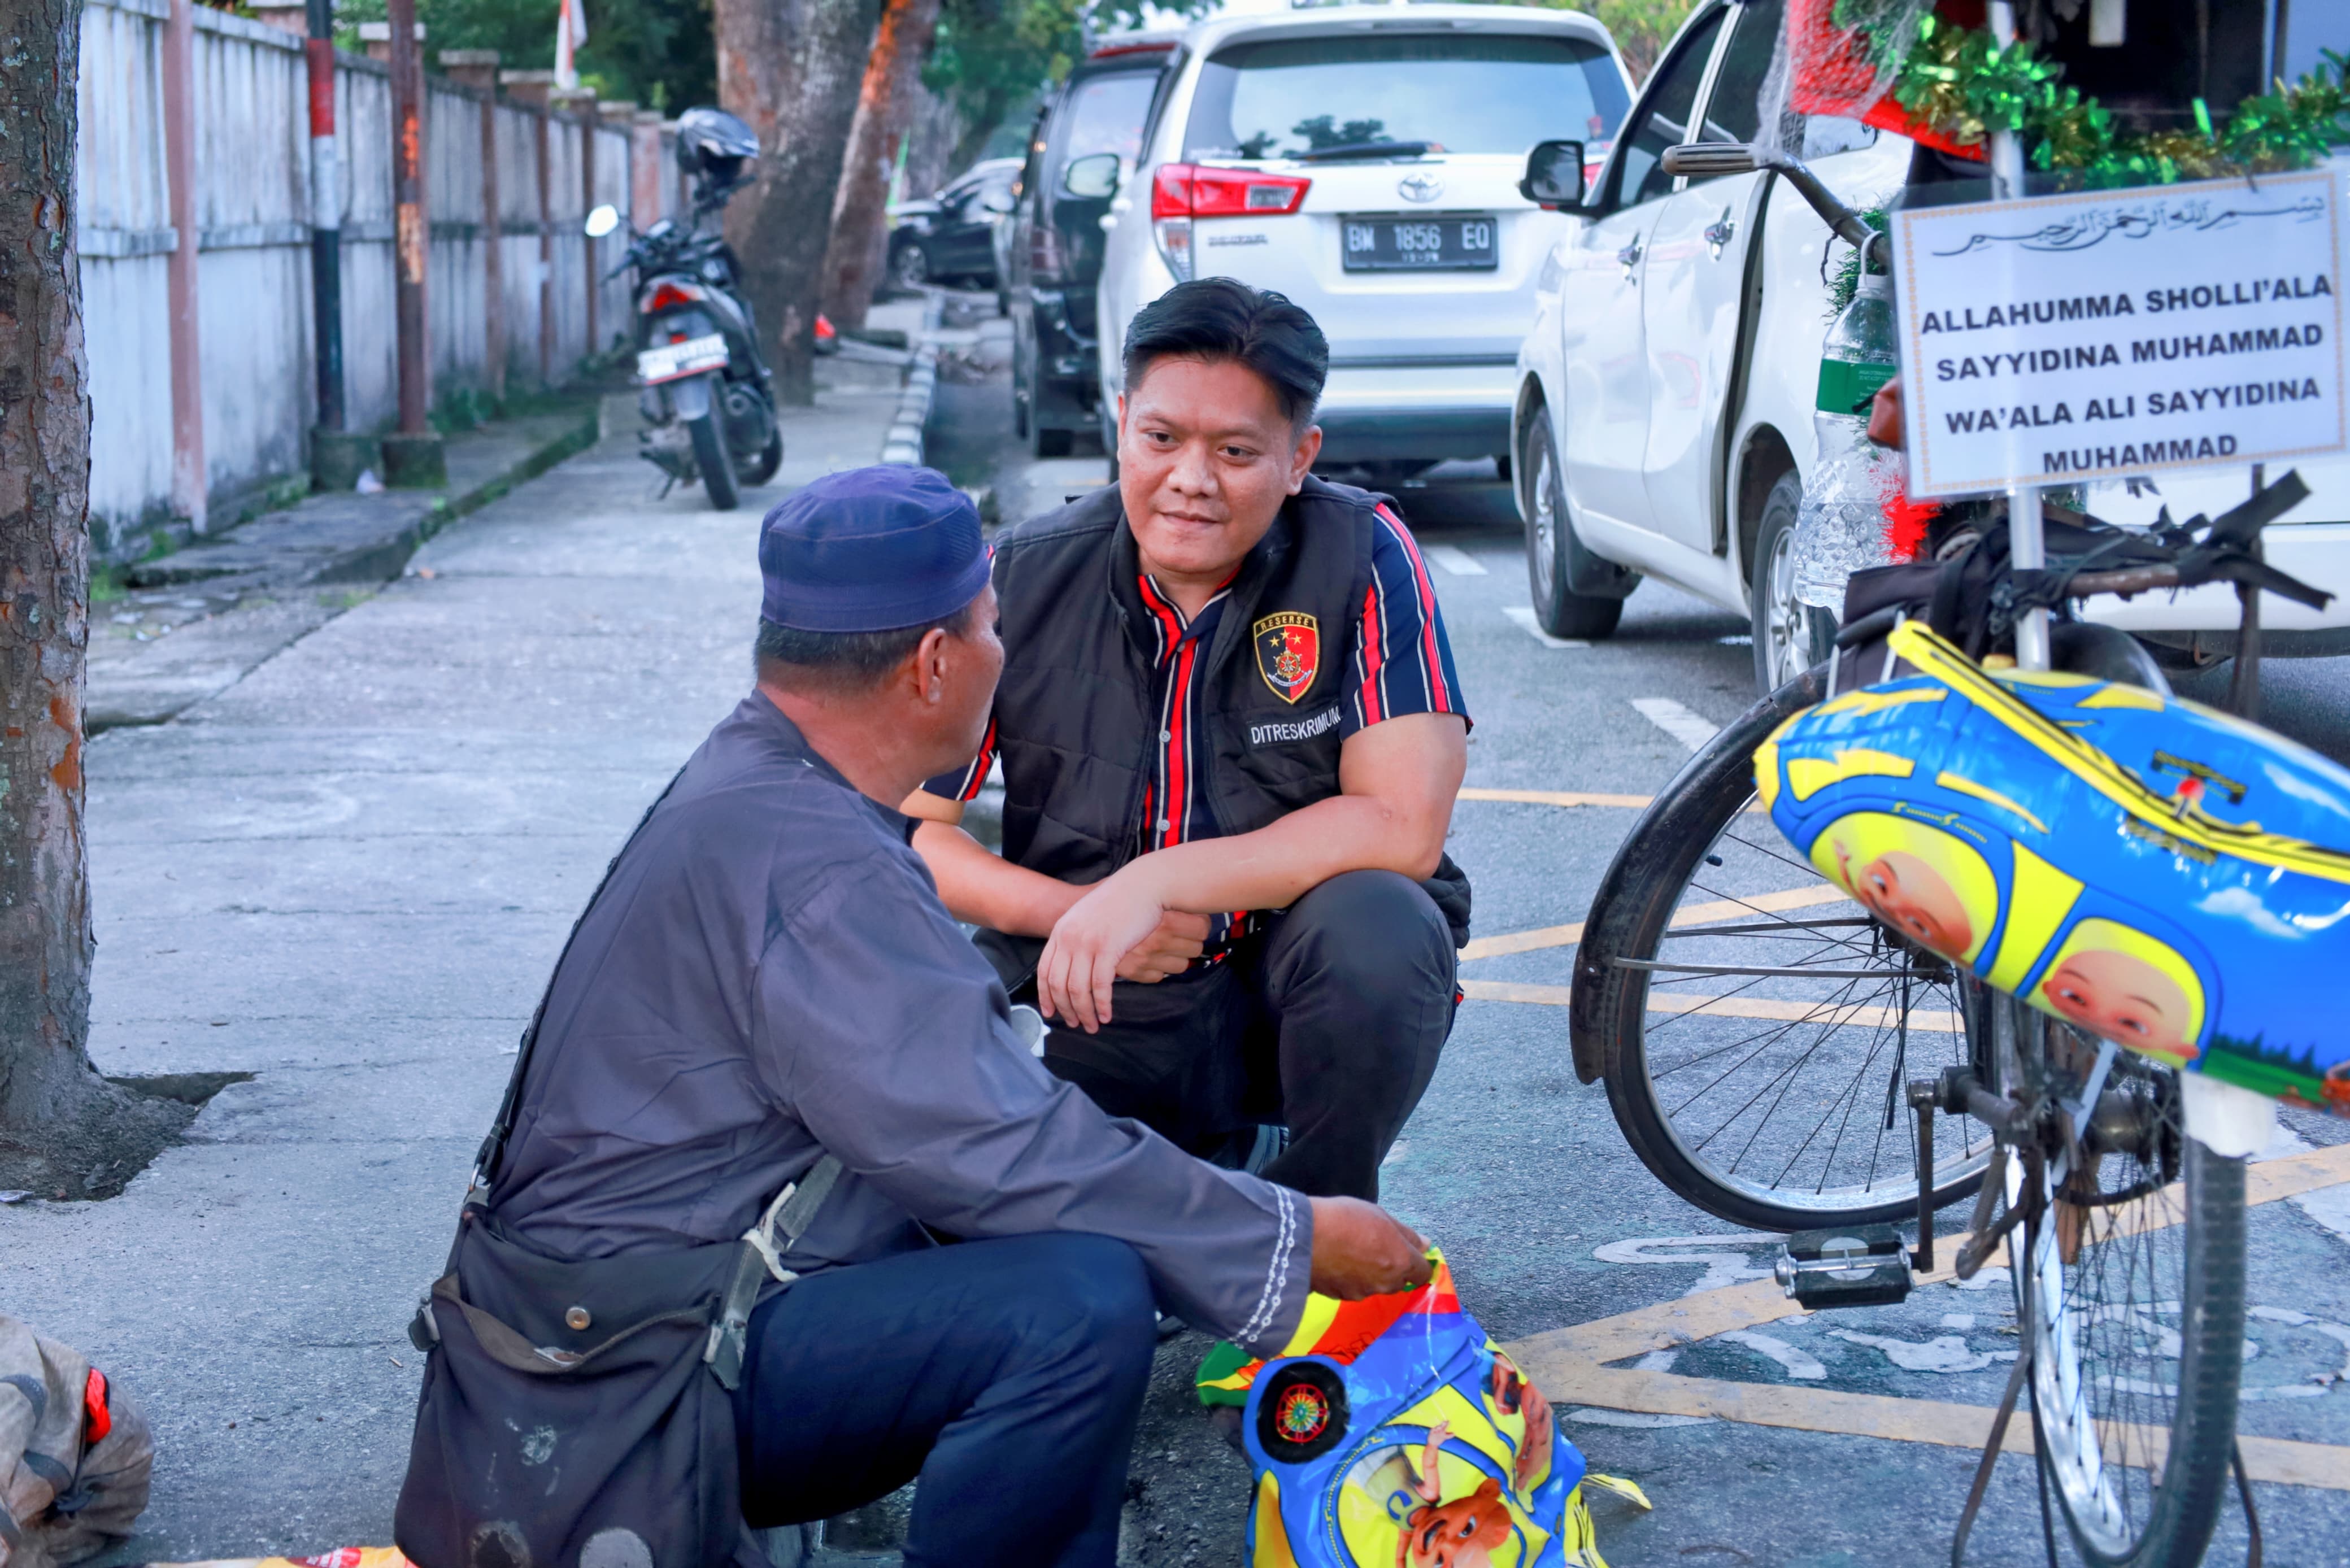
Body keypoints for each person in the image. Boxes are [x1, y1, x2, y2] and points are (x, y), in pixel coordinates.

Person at [458, 467, 1431, 1565]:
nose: (999, 656)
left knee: (1055, 1230)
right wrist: (1292, 1237)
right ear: (932, 664)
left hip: (601, 1322)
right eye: (985, 630)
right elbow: (1003, 1144)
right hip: (633, 1378)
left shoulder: (761, 780)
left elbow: (962, 1117)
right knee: (1074, 1304)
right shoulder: (816, 860)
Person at [906, 278, 1472, 1203]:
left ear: (1300, 457)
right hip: (1092, 984)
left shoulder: (1362, 553)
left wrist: (1152, 883)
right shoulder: (1023, 574)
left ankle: (1320, 1229)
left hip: (1283, 989)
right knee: (944, 1138)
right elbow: (914, 835)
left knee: (1383, 923)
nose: (1192, 481)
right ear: (1122, 424)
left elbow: (1402, 824)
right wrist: (1078, 914)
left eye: (1238, 451)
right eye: (1162, 439)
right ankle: (1168, 1189)